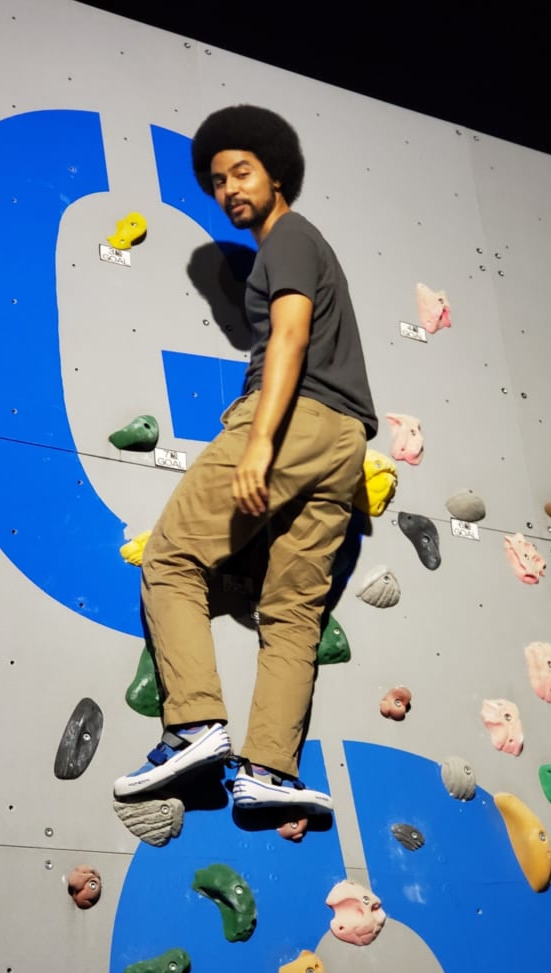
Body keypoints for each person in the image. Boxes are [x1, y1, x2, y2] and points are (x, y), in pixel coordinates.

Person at [114, 105, 378, 814]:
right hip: (345, 445)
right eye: (216, 181)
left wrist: (260, 439)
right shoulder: (303, 244)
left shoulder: (288, 238)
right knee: (292, 612)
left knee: (170, 559)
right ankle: (270, 771)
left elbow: (289, 336)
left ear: (275, 175)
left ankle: (195, 724)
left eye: (241, 172)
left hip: (293, 420)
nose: (229, 189)